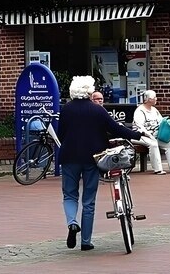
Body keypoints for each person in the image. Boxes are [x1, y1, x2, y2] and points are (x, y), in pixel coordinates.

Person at [56, 75, 142, 252]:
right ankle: (86, 242)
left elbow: (61, 133)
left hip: (69, 157)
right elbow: (115, 128)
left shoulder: (66, 109)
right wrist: (137, 135)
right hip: (92, 159)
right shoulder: (98, 110)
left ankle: (72, 223)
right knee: (89, 200)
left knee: (69, 195)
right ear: (89, 91)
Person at [134, 89, 170, 174]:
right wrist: (149, 135)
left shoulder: (154, 110)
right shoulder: (139, 111)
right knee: (153, 144)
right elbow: (140, 127)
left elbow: (161, 122)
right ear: (149, 99)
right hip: (141, 136)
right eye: (154, 97)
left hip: (155, 135)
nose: (156, 99)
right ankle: (158, 169)